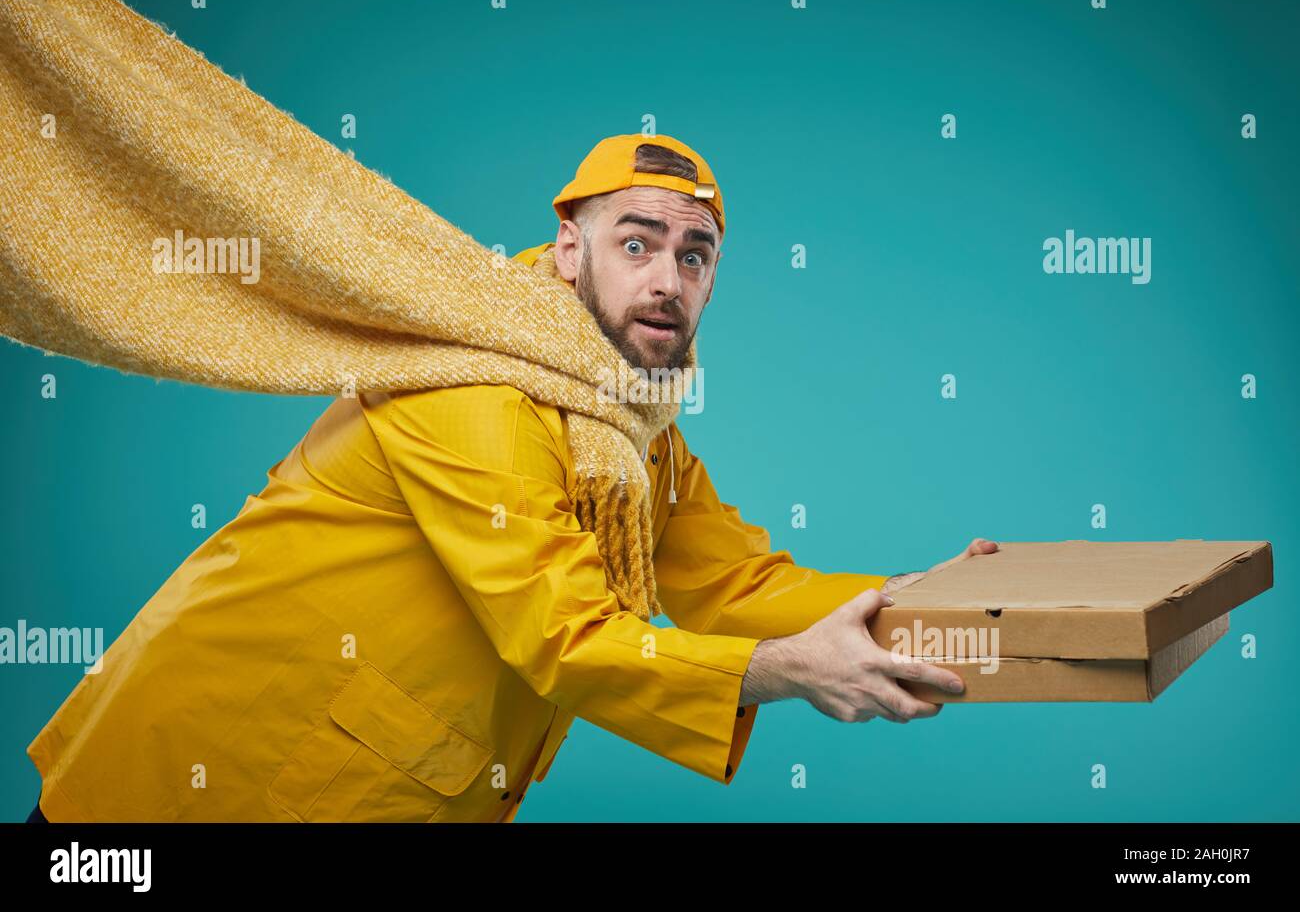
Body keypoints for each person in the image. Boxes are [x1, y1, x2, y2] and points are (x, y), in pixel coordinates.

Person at [25, 134, 997, 822]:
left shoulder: (629, 424)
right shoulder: (477, 386)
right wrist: (781, 668)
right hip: (194, 782)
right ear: (568, 248)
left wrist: (907, 599)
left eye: (694, 255)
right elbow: (561, 633)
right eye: (636, 241)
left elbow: (734, 582)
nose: (667, 277)